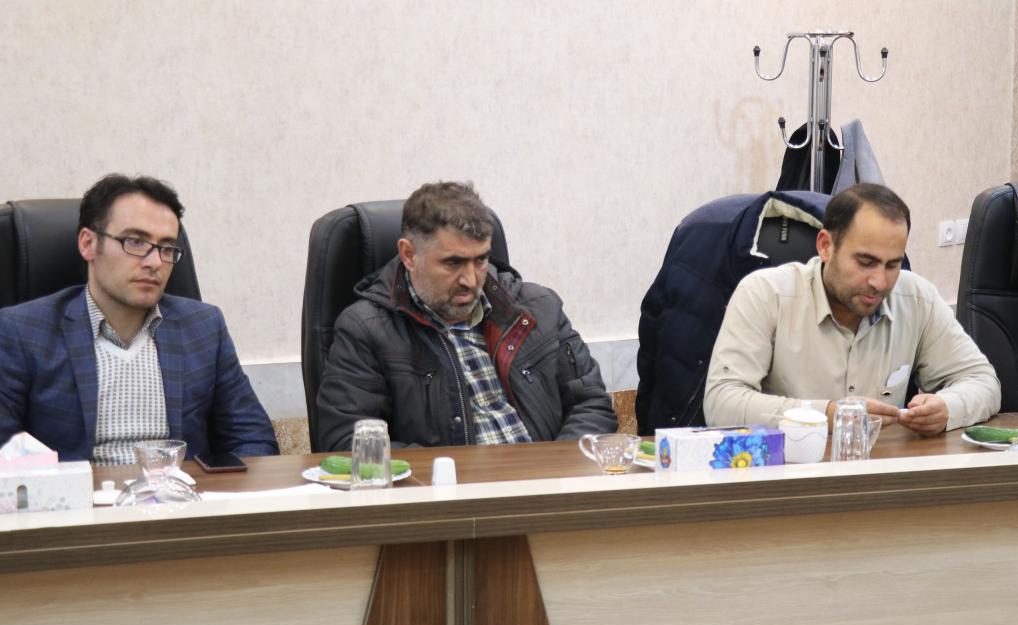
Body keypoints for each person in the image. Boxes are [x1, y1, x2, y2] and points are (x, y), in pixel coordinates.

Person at [315, 181, 616, 450]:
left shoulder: (538, 307)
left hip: (545, 484)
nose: (471, 280)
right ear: (409, 255)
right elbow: (348, 440)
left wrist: (555, 470)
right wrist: (450, 476)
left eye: (481, 259)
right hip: (447, 492)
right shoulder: (366, 330)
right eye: (453, 263)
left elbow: (591, 404)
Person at [0, 174, 278, 463]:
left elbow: (253, 439)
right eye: (135, 242)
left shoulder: (204, 327)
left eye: (166, 248)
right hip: (81, 491)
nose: (155, 262)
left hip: (180, 490)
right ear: (88, 244)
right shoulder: (21, 331)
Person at [704, 183, 1000, 436]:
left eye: (892, 264)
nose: (879, 282)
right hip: (787, 473)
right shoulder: (765, 294)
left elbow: (984, 382)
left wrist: (948, 408)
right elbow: (721, 404)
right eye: (866, 262)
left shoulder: (917, 298)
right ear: (825, 246)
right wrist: (826, 415)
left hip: (881, 474)